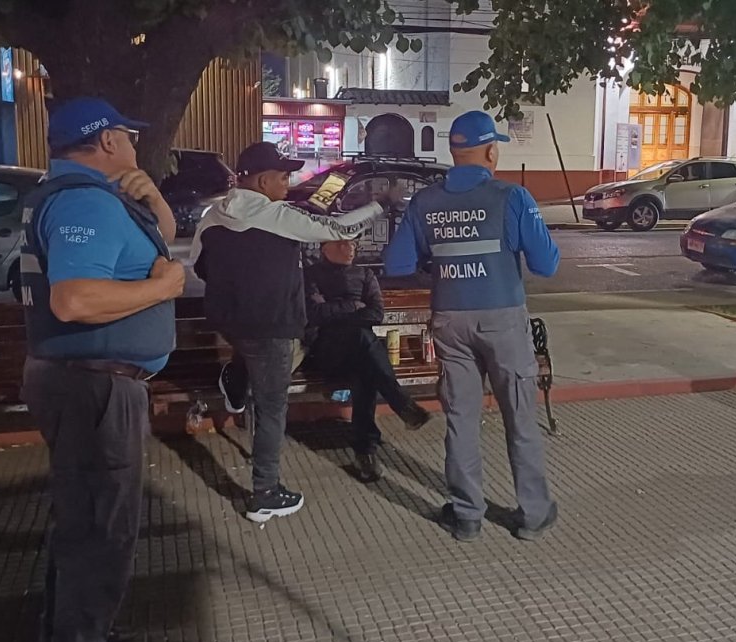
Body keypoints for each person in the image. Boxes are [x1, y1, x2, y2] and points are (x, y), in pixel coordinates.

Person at [20, 97, 185, 642]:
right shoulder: (84, 203)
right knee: (100, 532)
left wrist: (154, 202)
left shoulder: (86, 196)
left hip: (86, 381)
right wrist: (163, 288)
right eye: (129, 135)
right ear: (109, 140)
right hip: (93, 387)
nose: (136, 145)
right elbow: (75, 300)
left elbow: (150, 244)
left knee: (83, 521)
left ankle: (73, 635)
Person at [383, 110, 561, 543]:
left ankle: (466, 516)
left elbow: (397, 264)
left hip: (450, 321)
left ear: (453, 152)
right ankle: (533, 514)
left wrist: (441, 264)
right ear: (491, 151)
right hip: (503, 321)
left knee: (461, 419)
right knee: (519, 417)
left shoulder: (425, 202)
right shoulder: (512, 197)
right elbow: (546, 264)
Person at [192, 142, 385, 522]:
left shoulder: (213, 216)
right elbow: (338, 229)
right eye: (283, 177)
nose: (288, 183)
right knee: (272, 409)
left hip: (230, 321)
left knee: (253, 356)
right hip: (274, 325)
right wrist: (379, 206)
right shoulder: (276, 215)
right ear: (263, 181)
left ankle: (235, 379)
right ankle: (265, 493)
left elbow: (198, 264)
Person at [303, 238, 433, 481]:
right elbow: (315, 313)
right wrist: (354, 305)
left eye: (353, 243)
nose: (350, 248)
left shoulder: (364, 275)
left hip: (358, 353)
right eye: (342, 243)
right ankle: (402, 406)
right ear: (325, 248)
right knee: (363, 342)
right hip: (326, 353)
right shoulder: (311, 275)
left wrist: (337, 310)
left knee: (365, 369)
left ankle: (367, 454)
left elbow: (376, 313)